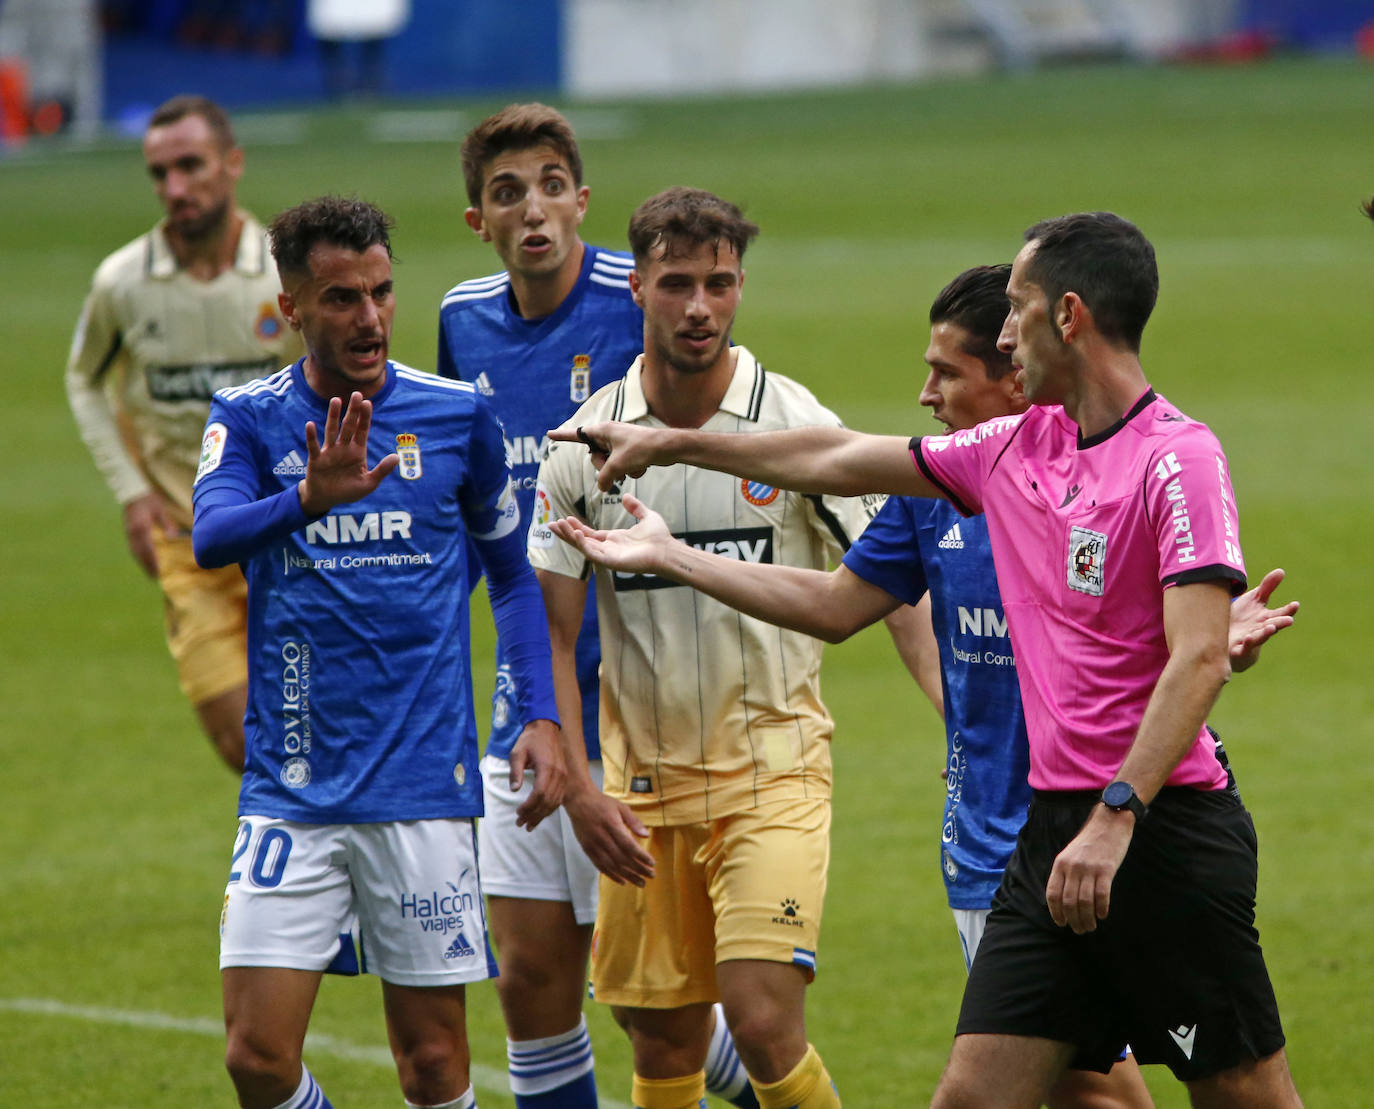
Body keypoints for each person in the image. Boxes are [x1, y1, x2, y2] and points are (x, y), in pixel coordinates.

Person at [550, 212, 1306, 1108]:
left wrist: (1117, 814)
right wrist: (674, 452)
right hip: (1051, 837)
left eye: (1017, 309)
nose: (1006, 329)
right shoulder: (1013, 448)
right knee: (971, 1098)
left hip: (1162, 832)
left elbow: (1194, 660)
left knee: (1242, 1093)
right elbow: (837, 458)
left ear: (1068, 317)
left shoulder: (1179, 458)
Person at [192, 195, 568, 1109]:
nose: (367, 317)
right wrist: (305, 503)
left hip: (422, 789)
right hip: (293, 784)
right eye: (339, 298)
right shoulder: (246, 418)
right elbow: (211, 538)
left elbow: (514, 577)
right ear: (292, 307)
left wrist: (544, 713)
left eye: (381, 292)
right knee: (256, 1055)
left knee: (435, 1065)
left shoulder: (452, 415)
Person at [529, 186, 879, 1109]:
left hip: (776, 770)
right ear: (636, 285)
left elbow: (892, 583)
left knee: (761, 1020)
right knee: (664, 1036)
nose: (699, 307)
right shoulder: (581, 446)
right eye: (677, 283)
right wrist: (579, 788)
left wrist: (958, 716)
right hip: (644, 788)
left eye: (719, 284)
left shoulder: (794, 424)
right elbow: (551, 634)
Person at [437, 105, 755, 1108]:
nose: (531, 209)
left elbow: (729, 430)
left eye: (548, 184)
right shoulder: (462, 319)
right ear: (477, 218)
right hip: (527, 688)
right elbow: (471, 493)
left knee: (658, 1008)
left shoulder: (642, 298)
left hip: (639, 696)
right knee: (530, 978)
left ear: (581, 199)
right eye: (505, 192)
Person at [65, 93, 302, 773]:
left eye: (190, 166)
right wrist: (132, 492)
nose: (174, 188)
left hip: (282, 541)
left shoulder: (284, 274)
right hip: (185, 546)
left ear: (232, 164)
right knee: (244, 748)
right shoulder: (122, 283)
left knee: (309, 742)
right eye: (159, 173)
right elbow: (83, 379)